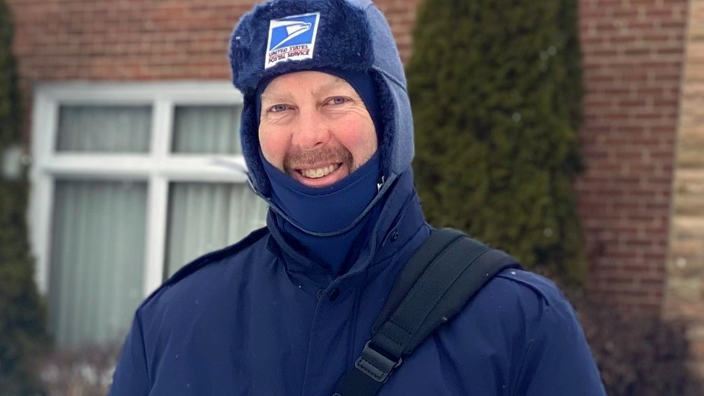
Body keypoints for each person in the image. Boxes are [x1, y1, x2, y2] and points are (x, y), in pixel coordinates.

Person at [109, 0, 607, 395]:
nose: (309, 138)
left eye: (336, 100)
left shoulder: (518, 322)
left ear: (388, 118)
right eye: (280, 107)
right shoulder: (171, 323)